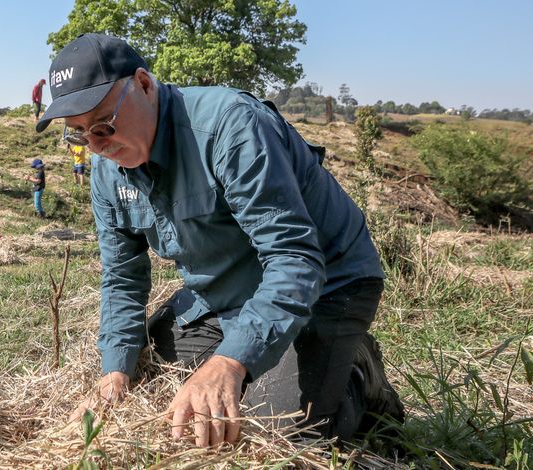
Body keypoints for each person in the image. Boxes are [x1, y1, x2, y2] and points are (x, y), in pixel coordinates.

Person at [36, 33, 402, 447]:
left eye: (103, 124)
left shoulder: (231, 126)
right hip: (226, 292)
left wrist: (229, 362)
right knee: (150, 375)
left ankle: (354, 371)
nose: (98, 146)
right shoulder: (106, 171)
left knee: (275, 435)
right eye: (79, 134)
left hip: (328, 282)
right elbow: (121, 277)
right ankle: (257, 354)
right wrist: (115, 374)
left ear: (143, 84)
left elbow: (295, 259)